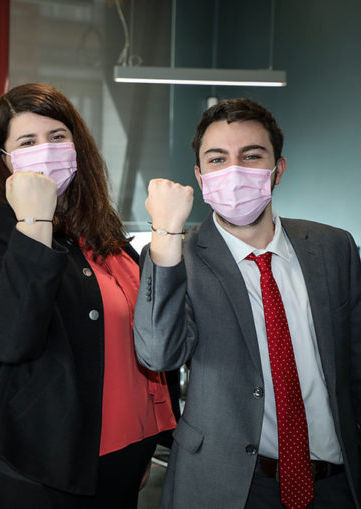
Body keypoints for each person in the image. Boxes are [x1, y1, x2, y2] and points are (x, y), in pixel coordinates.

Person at [0, 83, 176, 508]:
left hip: (119, 455)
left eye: (57, 136)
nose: (46, 150)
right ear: (5, 160)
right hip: (31, 466)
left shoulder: (98, 229)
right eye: (27, 142)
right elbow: (10, 339)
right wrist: (33, 222)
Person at [134, 98, 361, 508]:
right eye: (217, 159)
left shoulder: (334, 247)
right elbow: (158, 354)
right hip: (228, 485)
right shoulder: (180, 257)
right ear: (200, 177)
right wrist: (165, 233)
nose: (234, 171)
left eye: (251, 156)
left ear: (279, 170)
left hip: (336, 484)